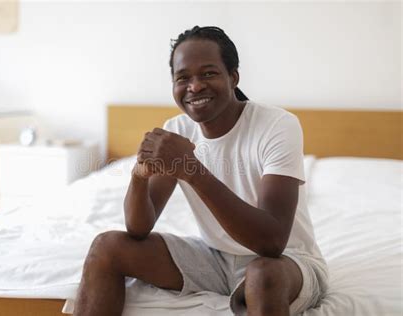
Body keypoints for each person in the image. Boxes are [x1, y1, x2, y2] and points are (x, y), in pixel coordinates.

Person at [74, 25, 328, 316]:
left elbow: (271, 242)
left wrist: (192, 169)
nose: (194, 86)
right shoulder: (177, 130)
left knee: (262, 275)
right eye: (183, 78)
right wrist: (139, 174)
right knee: (106, 247)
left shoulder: (276, 125)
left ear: (233, 77)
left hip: (286, 262)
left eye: (208, 74)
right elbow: (138, 228)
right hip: (216, 260)